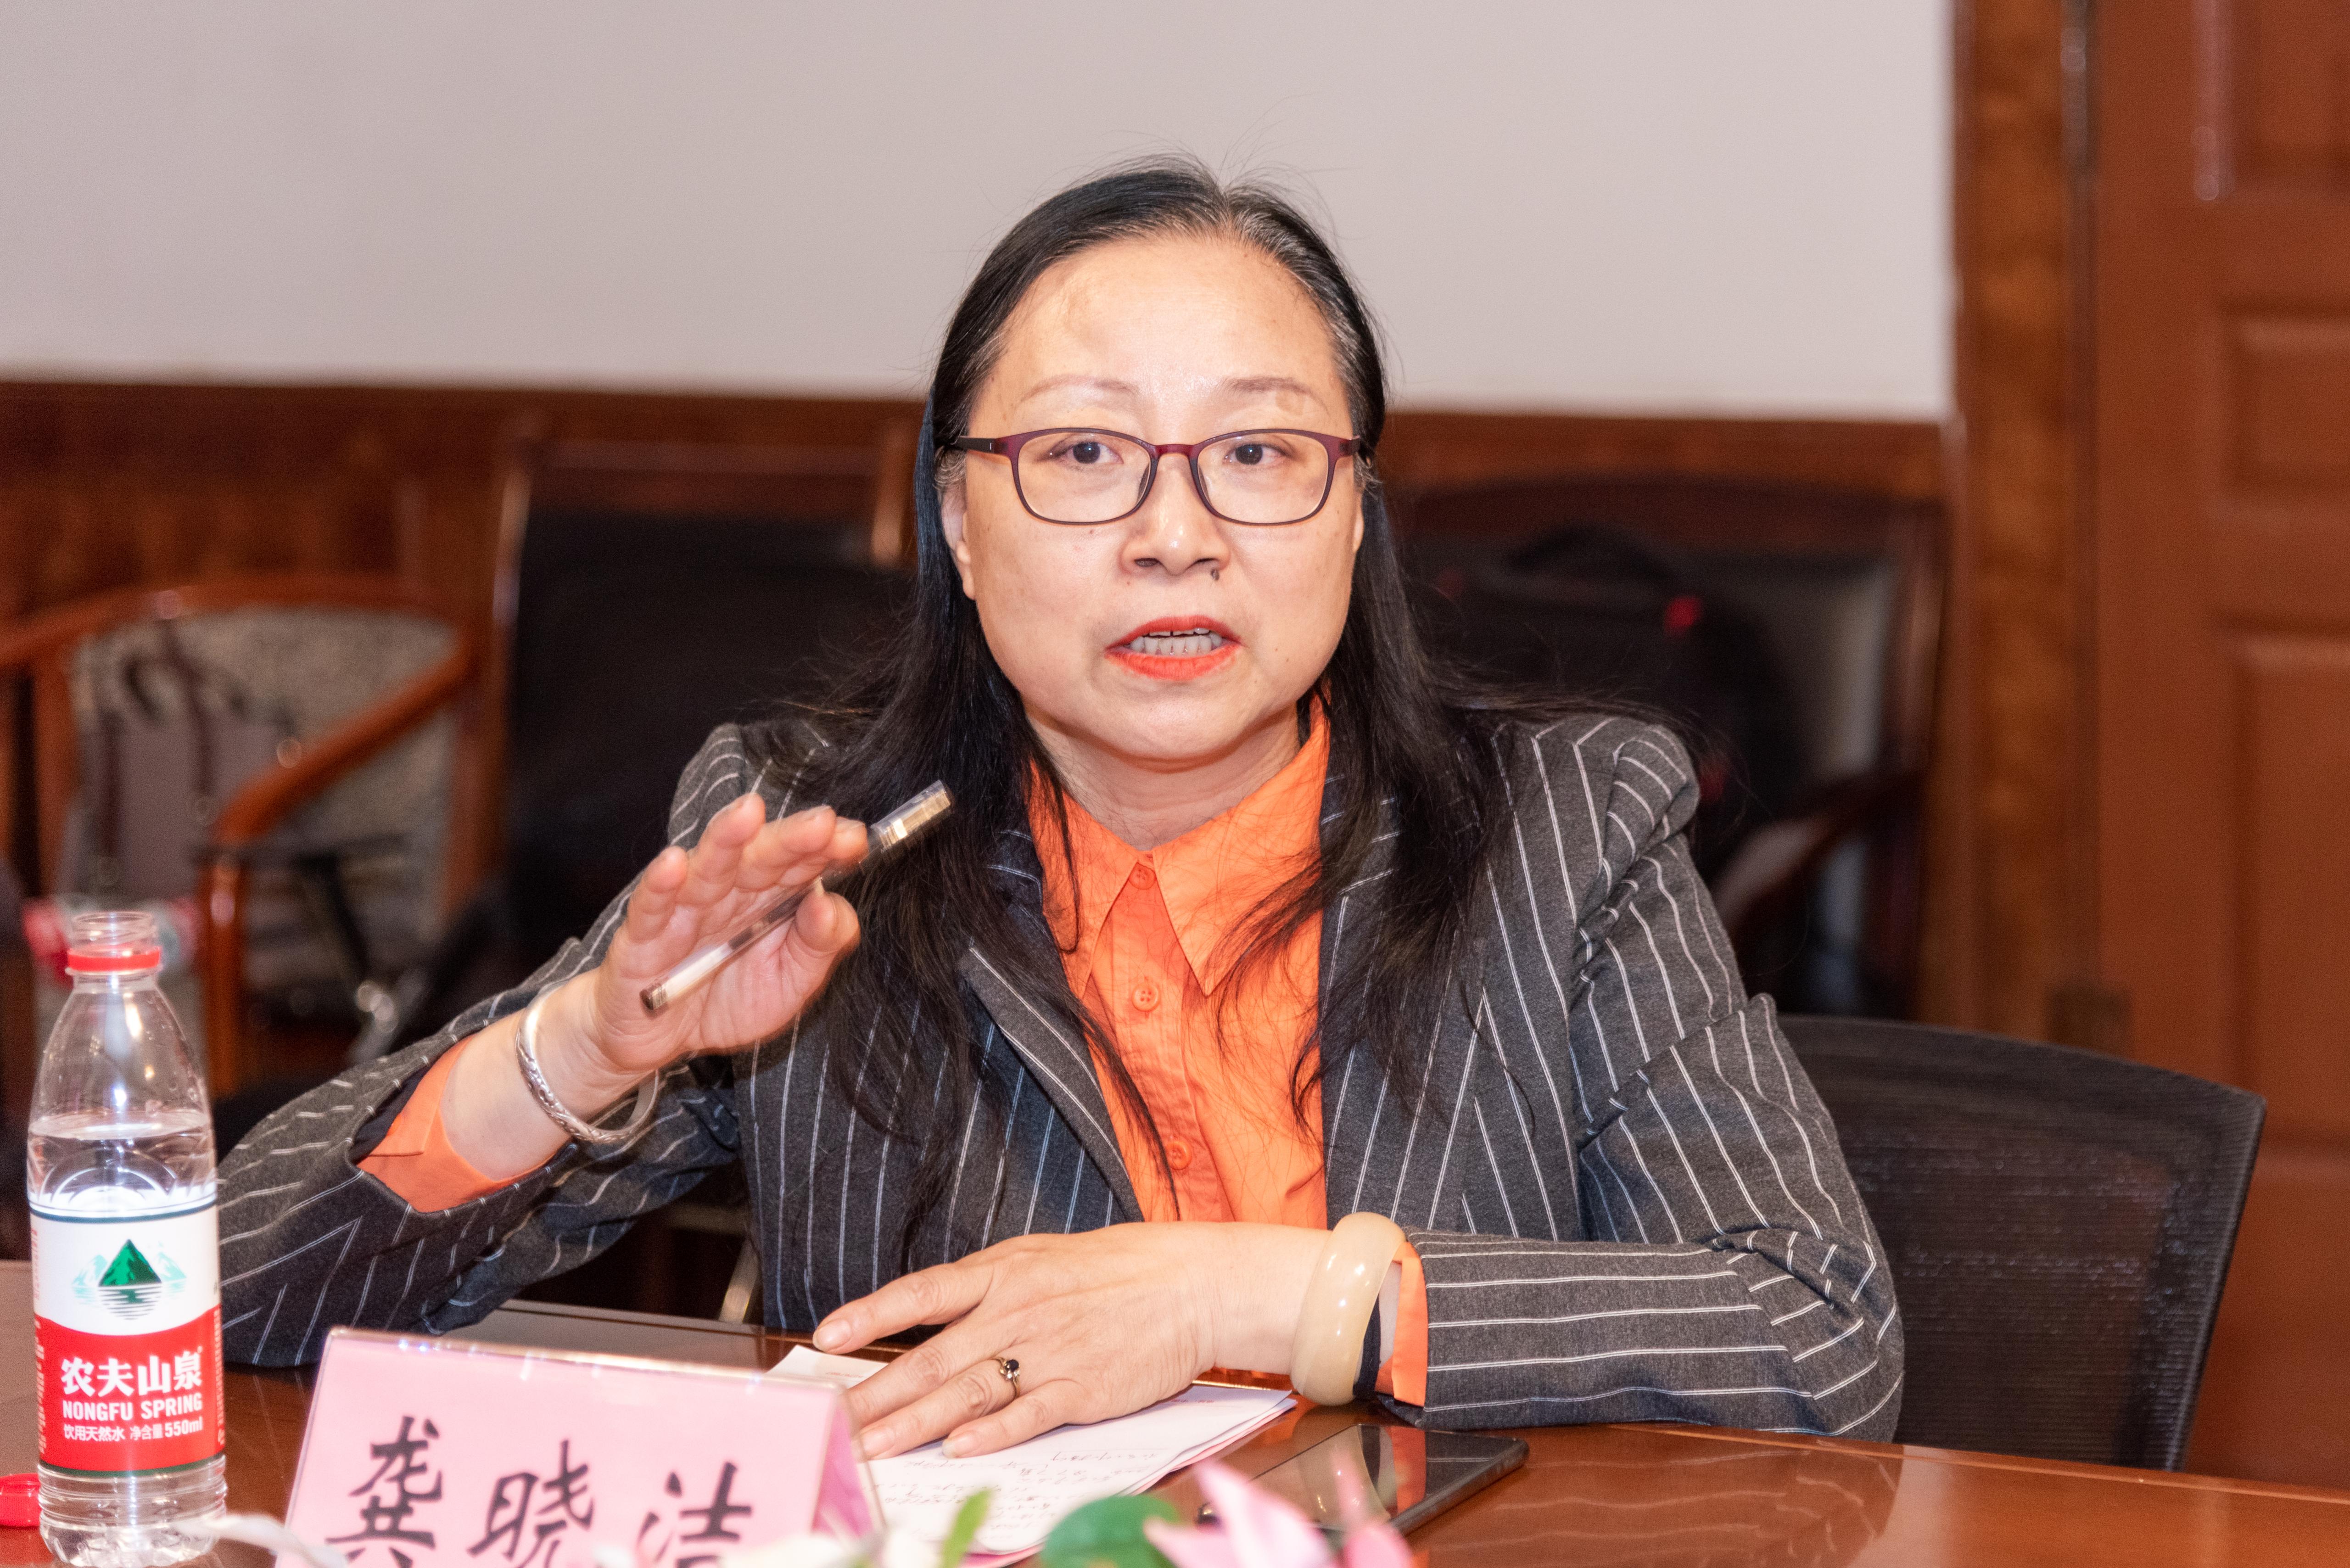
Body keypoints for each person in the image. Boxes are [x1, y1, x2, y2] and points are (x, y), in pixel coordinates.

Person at [220, 158, 1900, 1457]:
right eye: (1086, 458)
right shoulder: (830, 849)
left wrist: (1252, 1295)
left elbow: (1815, 1334)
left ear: (1355, 515)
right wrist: (586, 1050)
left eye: (1259, 455)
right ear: (959, 527)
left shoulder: (1563, 827)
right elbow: (231, 1294)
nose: (1177, 536)